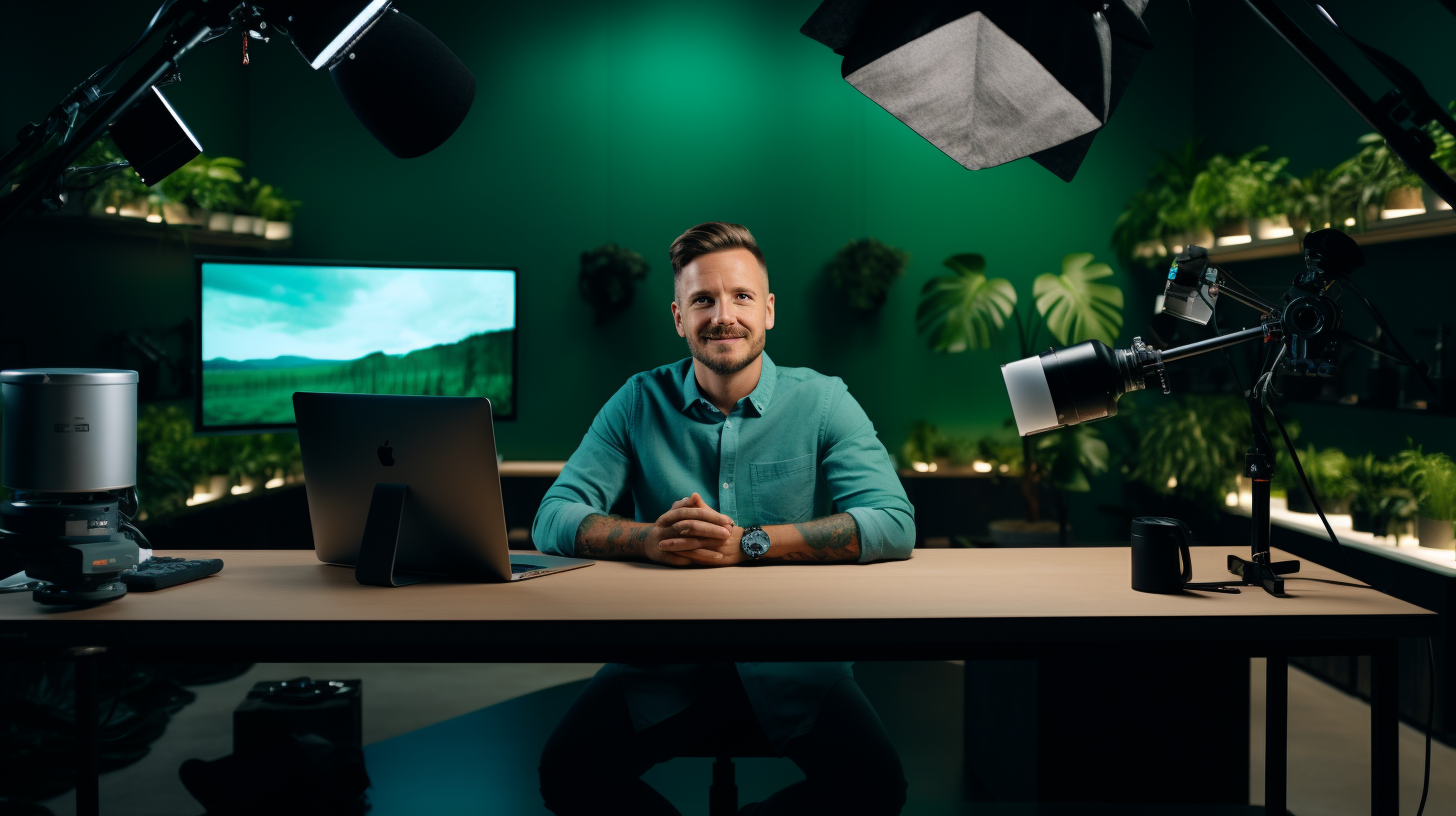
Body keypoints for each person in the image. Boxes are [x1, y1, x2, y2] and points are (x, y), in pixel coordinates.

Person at [533, 222, 914, 815]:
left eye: (740, 297)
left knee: (876, 786)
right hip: (662, 662)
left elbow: (892, 521)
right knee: (567, 774)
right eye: (702, 300)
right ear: (679, 317)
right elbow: (552, 517)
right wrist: (648, 541)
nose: (723, 315)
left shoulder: (824, 400)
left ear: (768, 311)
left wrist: (751, 544)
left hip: (796, 665)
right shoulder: (637, 400)